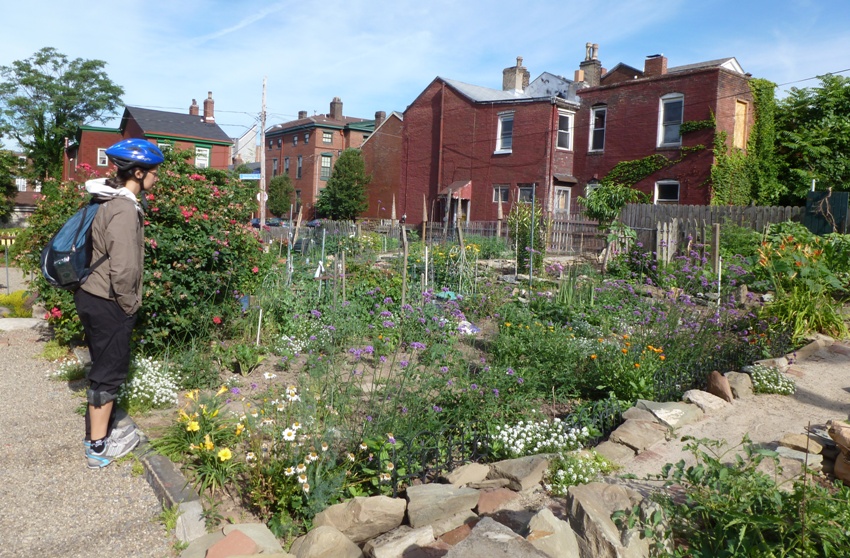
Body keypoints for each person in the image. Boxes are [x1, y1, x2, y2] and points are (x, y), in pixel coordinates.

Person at [75, 138, 164, 468]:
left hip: (91, 295)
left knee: (102, 366)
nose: (157, 177)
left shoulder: (105, 199)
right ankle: (97, 448)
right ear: (138, 173)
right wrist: (129, 307)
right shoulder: (125, 209)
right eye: (154, 172)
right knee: (108, 373)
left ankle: (100, 436)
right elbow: (124, 269)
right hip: (109, 301)